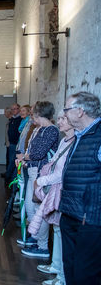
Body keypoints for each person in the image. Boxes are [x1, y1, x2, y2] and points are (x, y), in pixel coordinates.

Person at [58, 92, 101, 285]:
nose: (65, 114)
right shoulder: (81, 136)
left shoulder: (98, 136)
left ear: (81, 111)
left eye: (67, 110)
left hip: (89, 219)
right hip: (71, 213)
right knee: (71, 269)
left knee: (85, 273)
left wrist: (90, 212)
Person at [28, 111, 74, 285]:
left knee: (62, 232)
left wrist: (41, 180)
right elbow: (53, 162)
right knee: (56, 229)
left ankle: (62, 277)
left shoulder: (75, 141)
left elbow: (62, 173)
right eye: (60, 118)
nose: (59, 121)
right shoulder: (64, 140)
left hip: (62, 189)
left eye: (63, 119)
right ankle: (55, 265)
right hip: (53, 188)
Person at [18, 101, 59, 259]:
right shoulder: (39, 129)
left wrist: (24, 157)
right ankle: (35, 237)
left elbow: (38, 153)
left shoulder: (50, 130)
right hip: (33, 170)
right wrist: (25, 159)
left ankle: (42, 246)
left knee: (38, 209)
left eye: (33, 113)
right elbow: (32, 151)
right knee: (30, 207)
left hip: (41, 174)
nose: (31, 116)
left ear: (39, 114)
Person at [6, 103, 22, 184]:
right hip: (12, 143)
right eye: (12, 109)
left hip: (17, 144)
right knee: (10, 161)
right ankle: (9, 178)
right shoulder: (12, 119)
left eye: (15, 109)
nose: (13, 111)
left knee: (13, 162)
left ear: (19, 109)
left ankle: (9, 179)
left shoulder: (20, 119)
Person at [0, 106, 12, 178]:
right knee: (8, 158)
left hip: (11, 144)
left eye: (5, 112)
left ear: (8, 112)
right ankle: (7, 172)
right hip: (8, 143)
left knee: (10, 159)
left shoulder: (12, 121)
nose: (4, 114)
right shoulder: (9, 120)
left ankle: (8, 174)